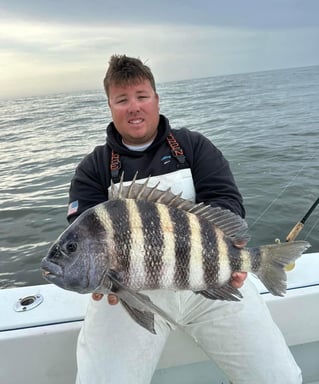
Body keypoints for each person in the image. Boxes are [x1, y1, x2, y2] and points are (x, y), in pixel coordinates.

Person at [67, 54, 302, 384]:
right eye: (122, 99)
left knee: (279, 378)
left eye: (142, 96)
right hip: (127, 292)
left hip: (205, 275)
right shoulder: (93, 168)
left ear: (156, 100)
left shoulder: (192, 147)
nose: (134, 107)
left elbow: (226, 201)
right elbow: (81, 235)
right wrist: (96, 276)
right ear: (110, 106)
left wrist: (230, 256)